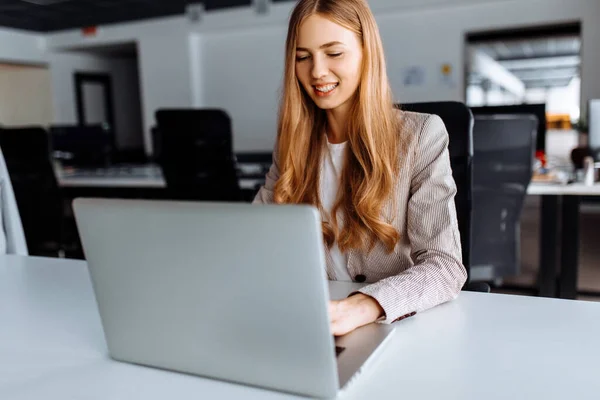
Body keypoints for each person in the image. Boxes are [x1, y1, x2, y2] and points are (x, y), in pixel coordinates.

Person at [254, 0, 467, 336]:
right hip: (311, 322)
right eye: (302, 56)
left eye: (333, 53)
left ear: (367, 52)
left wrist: (363, 306)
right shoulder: (291, 145)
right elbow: (255, 240)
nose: (317, 71)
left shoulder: (420, 136)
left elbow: (445, 267)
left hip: (393, 325)